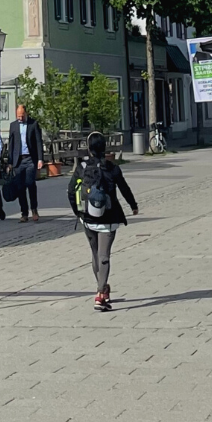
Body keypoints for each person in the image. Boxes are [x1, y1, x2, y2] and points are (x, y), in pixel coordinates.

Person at [68, 132, 138, 311]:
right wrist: (133, 205)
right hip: (109, 217)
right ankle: (100, 294)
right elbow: (124, 188)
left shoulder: (82, 167)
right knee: (104, 255)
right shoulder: (113, 168)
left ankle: (102, 288)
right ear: (104, 148)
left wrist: (77, 211)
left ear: (89, 148)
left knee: (95, 253)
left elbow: (71, 190)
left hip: (87, 218)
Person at [8, 104, 45, 222]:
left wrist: (40, 159)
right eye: (18, 116)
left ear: (26, 114)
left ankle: (34, 209)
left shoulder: (33, 124)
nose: (20, 118)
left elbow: (39, 142)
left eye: (22, 116)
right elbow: (11, 144)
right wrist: (9, 162)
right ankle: (24, 213)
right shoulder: (13, 126)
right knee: (20, 187)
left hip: (30, 159)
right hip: (18, 160)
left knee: (30, 183)